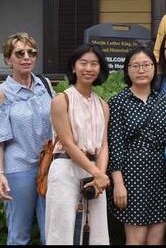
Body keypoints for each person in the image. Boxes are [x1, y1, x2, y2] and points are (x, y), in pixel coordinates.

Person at [0, 33, 53, 245]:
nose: (27, 57)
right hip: (19, 170)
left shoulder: (45, 84)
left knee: (51, 234)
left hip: (49, 168)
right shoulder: (2, 93)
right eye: (20, 53)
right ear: (8, 59)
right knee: (19, 236)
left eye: (32, 53)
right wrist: (0, 174)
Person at [107, 46, 166, 244]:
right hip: (131, 175)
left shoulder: (164, 101)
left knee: (156, 238)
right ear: (127, 70)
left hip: (161, 175)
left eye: (146, 65)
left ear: (154, 68)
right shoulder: (118, 102)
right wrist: (118, 183)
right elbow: (115, 144)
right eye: (135, 65)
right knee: (136, 239)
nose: (141, 70)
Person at [45, 43, 111, 244]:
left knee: (95, 232)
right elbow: (68, 143)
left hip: (94, 173)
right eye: (83, 63)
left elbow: (103, 145)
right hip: (65, 168)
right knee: (62, 230)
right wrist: (99, 173)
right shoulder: (61, 100)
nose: (89, 68)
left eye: (94, 63)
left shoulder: (103, 105)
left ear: (100, 69)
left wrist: (99, 175)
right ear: (74, 67)